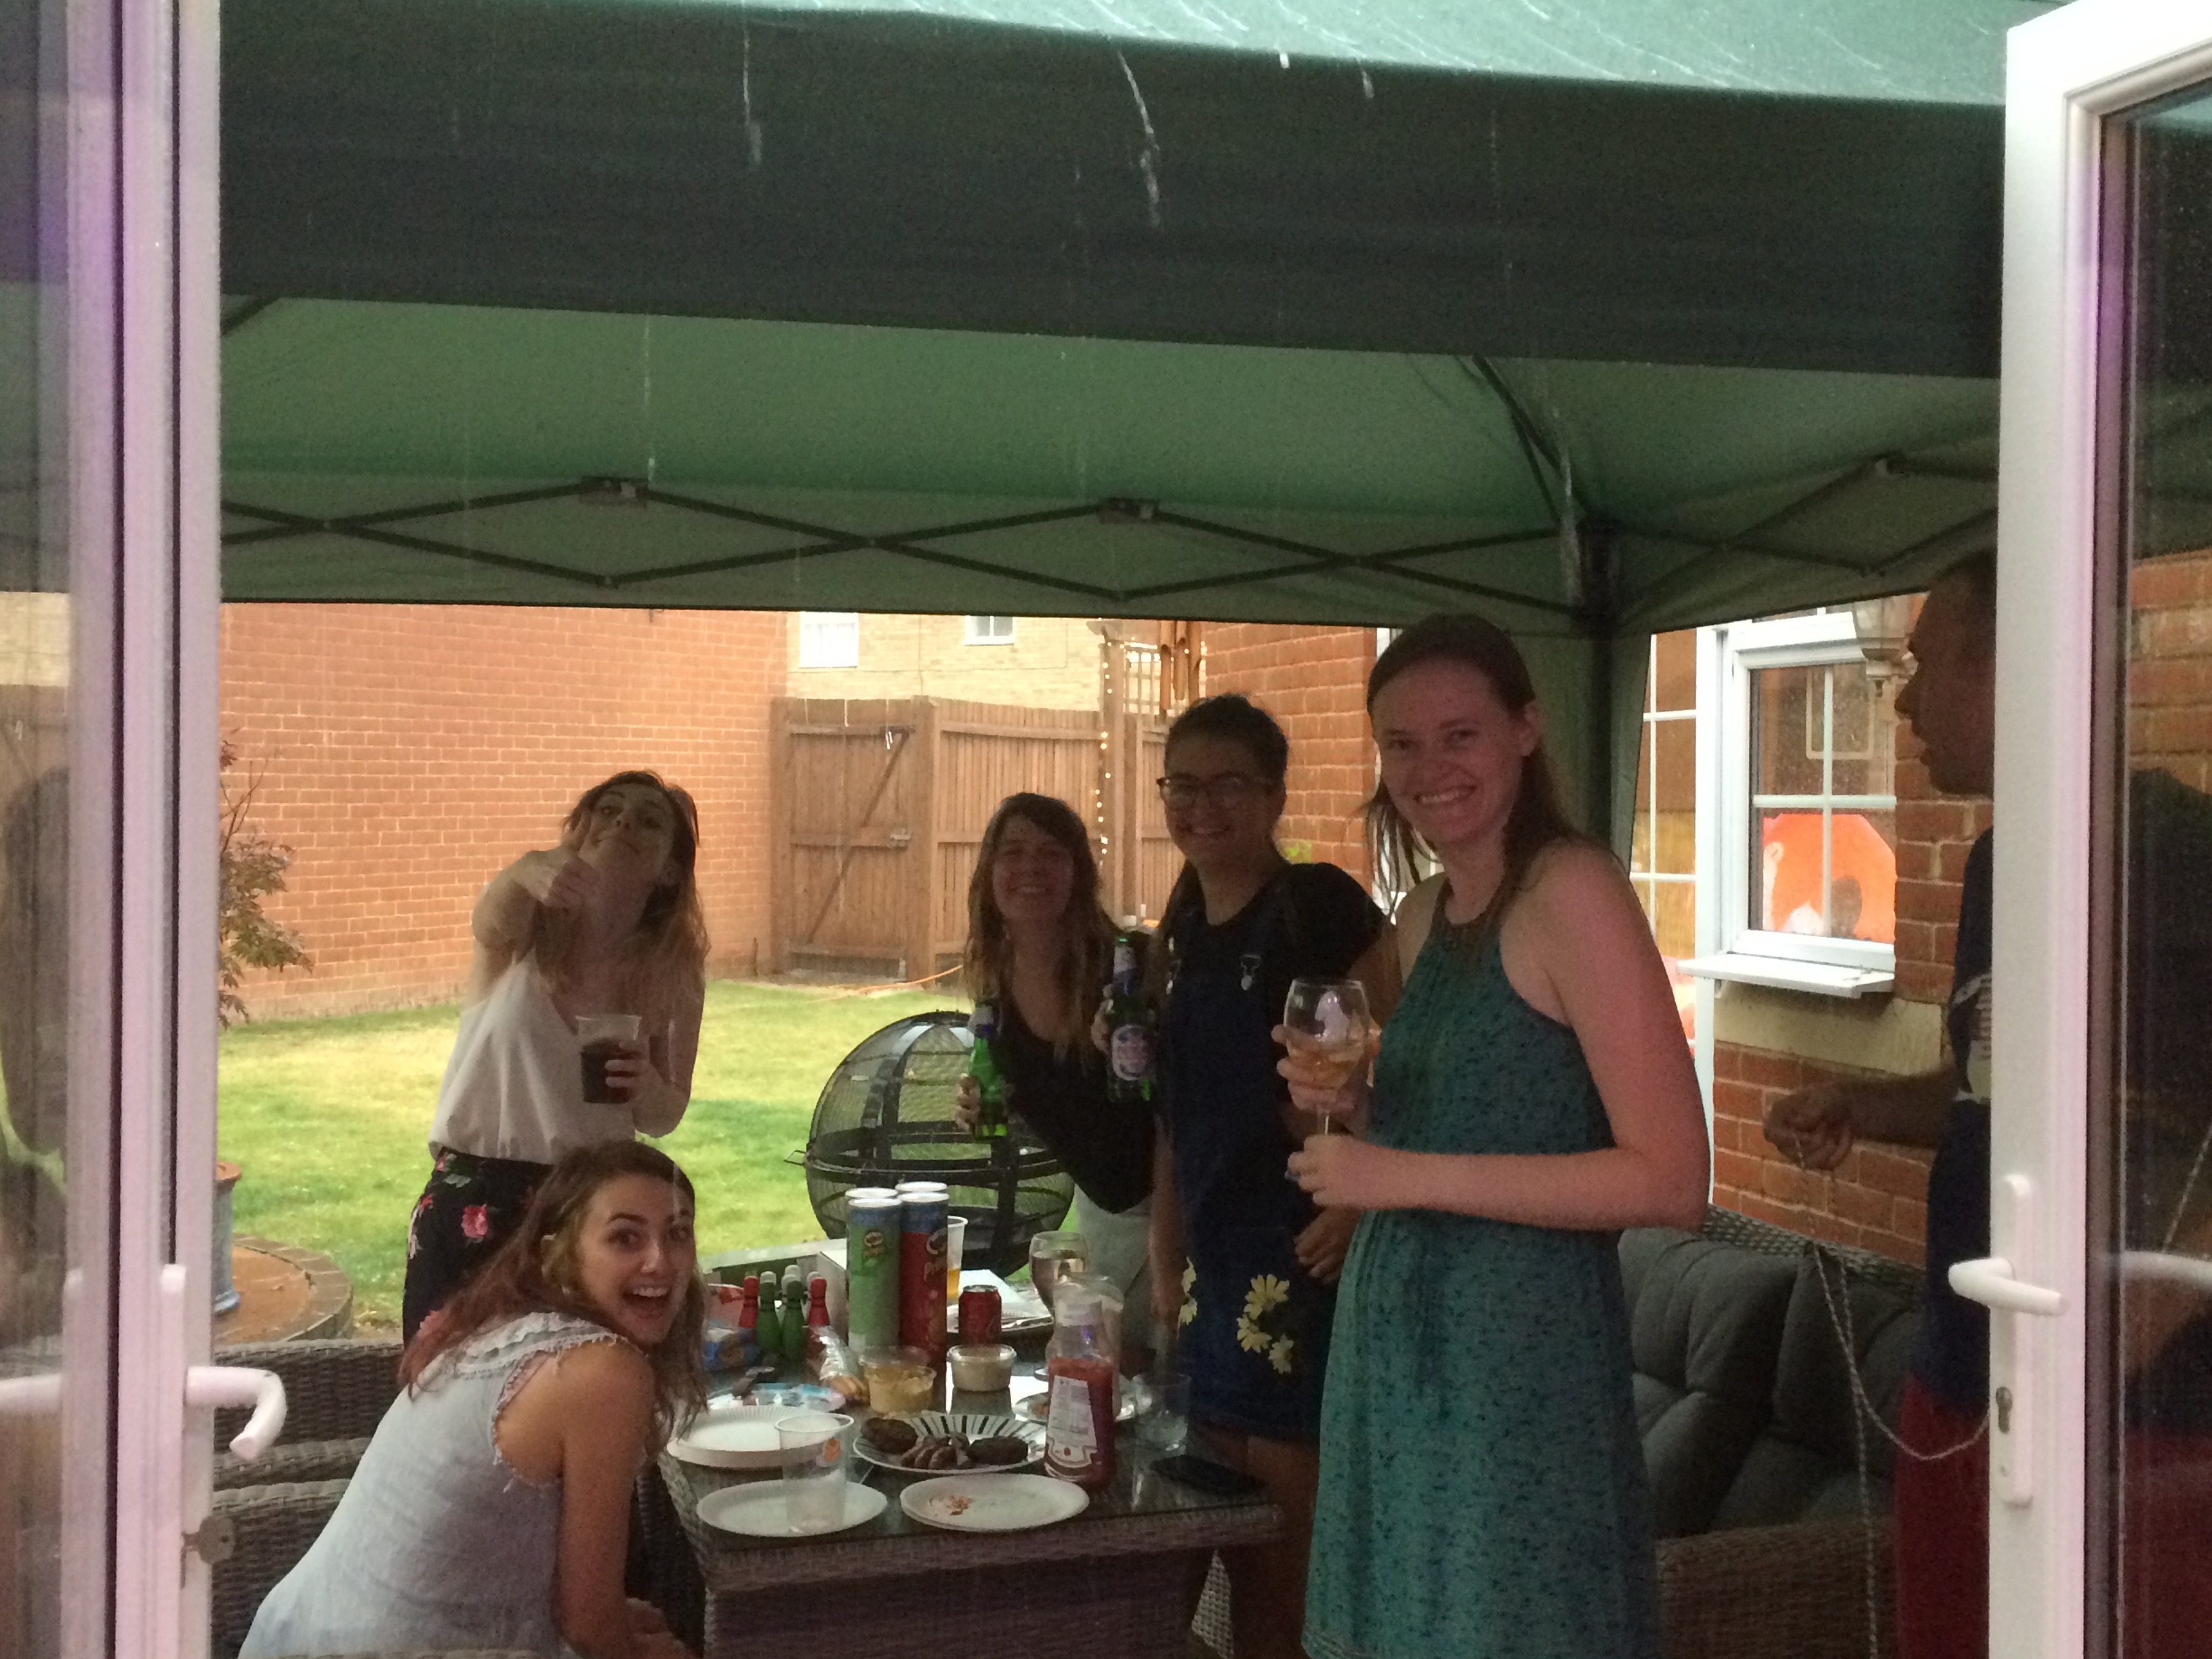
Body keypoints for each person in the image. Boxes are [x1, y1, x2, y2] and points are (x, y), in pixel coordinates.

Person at [1766, 552, 2212, 1659]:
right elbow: (1989, 1093)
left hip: (2142, 1413)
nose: (1904, 701)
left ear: (2018, 663)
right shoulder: (1992, 862)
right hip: (1963, 1368)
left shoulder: (2176, 857)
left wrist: (2163, 1291)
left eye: (1923, 666)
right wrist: (1859, 1104)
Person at [1283, 614, 1708, 1659]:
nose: (1430, 768)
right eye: (1402, 744)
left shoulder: (1575, 893)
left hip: (1518, 1365)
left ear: (1527, 728)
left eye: (1460, 734)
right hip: (1400, 1355)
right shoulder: (1427, 912)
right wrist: (1355, 1104)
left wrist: (1397, 1173)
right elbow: (1475, 1122)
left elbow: (1670, 1180)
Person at [1145, 693, 1395, 1659]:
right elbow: (1176, 1125)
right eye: (1184, 785)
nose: (1204, 806)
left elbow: (1405, 1070)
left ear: (1275, 796)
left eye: (1230, 785)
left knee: (1283, 1569)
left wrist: (1360, 1205)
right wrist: (1166, 1264)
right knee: (1200, 1542)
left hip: (1303, 1260)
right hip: (1212, 1269)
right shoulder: (1178, 929)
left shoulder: (1318, 906)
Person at [243, 1141, 707, 1658]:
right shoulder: (604, 1373)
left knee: (642, 1623)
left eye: (677, 1233)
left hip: (305, 1632)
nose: (659, 1261)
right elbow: (590, 1625)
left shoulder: (508, 1317)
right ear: (560, 1249)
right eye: (625, 1238)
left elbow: (584, 1606)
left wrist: (614, 1622)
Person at [403, 771, 708, 1339]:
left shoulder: (673, 974)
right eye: (608, 811)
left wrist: (645, 1085)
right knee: (445, 1388)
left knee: (573, 1387)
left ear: (669, 868)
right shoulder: (522, 934)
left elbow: (663, 1116)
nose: (623, 825)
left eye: (649, 821)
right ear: (579, 833)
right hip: (472, 1193)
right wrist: (524, 870)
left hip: (585, 1209)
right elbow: (487, 921)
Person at [953, 793, 1155, 1321]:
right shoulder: (994, 983)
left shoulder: (1126, 969)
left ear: (1079, 872)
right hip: (1100, 1219)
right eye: (1013, 852)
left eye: (1051, 852)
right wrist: (990, 1112)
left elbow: (1180, 1105)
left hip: (1176, 1216)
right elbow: (1059, 1103)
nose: (1031, 868)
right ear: (990, 871)